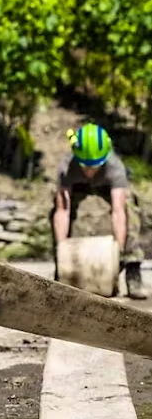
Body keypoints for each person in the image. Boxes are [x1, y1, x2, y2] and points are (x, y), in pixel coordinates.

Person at [50, 123, 146, 299]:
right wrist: (62, 250)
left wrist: (118, 254)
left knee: (130, 206)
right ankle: (61, 270)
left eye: (94, 166)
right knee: (56, 208)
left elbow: (118, 213)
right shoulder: (67, 168)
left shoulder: (115, 167)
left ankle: (132, 269)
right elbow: (63, 211)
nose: (89, 171)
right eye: (85, 166)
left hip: (106, 184)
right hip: (77, 186)